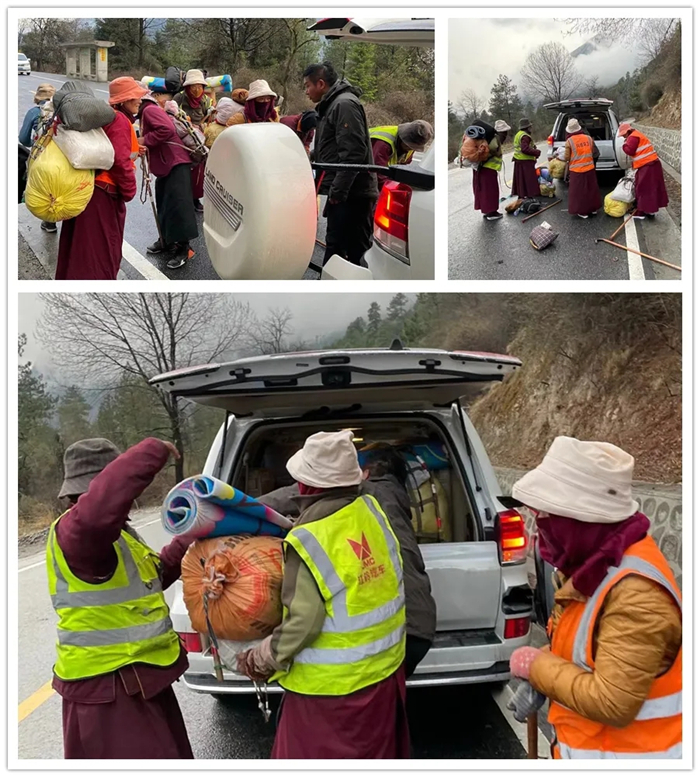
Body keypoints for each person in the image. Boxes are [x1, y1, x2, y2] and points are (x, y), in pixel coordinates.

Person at [237, 431, 410, 759]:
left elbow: (304, 621)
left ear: (306, 486)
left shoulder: (308, 539)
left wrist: (262, 658)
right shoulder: (371, 509)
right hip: (385, 673)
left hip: (330, 692)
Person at [508, 437, 682, 760]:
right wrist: (543, 674)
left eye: (549, 514)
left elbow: (613, 700)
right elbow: (588, 653)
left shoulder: (636, 594)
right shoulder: (591, 566)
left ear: (581, 519)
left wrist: (538, 667)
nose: (540, 524)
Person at [47, 438, 196, 759]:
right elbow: (97, 513)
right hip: (110, 692)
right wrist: (151, 452)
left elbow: (153, 578)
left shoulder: (117, 537)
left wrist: (191, 539)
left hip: (137, 682)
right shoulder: (81, 535)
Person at [55, 77, 144, 280]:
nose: (139, 100)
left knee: (77, 249)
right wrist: (129, 191)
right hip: (103, 196)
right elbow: (120, 161)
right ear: (123, 100)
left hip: (83, 190)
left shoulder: (100, 118)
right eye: (135, 96)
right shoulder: (119, 120)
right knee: (100, 254)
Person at [360, 447, 437, 676]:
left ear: (365, 472)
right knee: (389, 700)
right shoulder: (396, 496)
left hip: (390, 633)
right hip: (420, 627)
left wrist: (249, 504)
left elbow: (299, 493)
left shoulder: (364, 491)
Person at [303, 62, 378, 267]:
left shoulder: (343, 105)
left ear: (320, 83)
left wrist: (337, 191)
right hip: (345, 191)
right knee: (336, 245)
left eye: (308, 86)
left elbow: (353, 153)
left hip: (353, 194)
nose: (306, 92)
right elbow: (333, 146)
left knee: (353, 251)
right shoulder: (333, 105)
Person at [138, 93, 198, 269]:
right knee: (165, 203)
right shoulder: (146, 112)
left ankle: (184, 249)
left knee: (179, 207)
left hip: (175, 163)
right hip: (167, 164)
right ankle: (166, 240)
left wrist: (144, 140)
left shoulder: (149, 110)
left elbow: (166, 130)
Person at [19, 83, 57, 233]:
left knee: (45, 186)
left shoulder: (34, 112)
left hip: (42, 155)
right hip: (61, 153)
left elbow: (23, 138)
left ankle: (49, 222)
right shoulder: (61, 111)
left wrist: (34, 143)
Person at [173, 70, 212, 213]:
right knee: (184, 170)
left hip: (199, 140)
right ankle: (184, 199)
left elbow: (209, 116)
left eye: (200, 86)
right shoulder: (179, 98)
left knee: (198, 172)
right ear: (187, 87)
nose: (197, 90)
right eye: (193, 86)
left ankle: (195, 199)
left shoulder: (204, 100)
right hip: (182, 139)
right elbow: (170, 115)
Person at [618, 123, 669, 220]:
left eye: (623, 134)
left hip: (648, 166)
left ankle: (642, 211)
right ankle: (649, 210)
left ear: (627, 131)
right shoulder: (636, 134)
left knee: (643, 188)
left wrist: (624, 145)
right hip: (650, 164)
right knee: (650, 188)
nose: (623, 136)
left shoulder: (633, 137)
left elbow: (630, 151)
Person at [370, 120, 434, 190]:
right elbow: (375, 173)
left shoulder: (410, 148)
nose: (410, 149)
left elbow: (402, 169)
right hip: (359, 170)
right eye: (408, 145)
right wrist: (393, 190)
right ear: (403, 137)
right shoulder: (382, 144)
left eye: (413, 147)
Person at [563, 118, 601, 219]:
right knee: (591, 189)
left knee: (579, 193)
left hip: (577, 170)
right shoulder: (588, 138)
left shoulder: (569, 141)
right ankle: (593, 209)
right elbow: (593, 152)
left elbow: (567, 157)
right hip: (590, 168)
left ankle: (583, 212)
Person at [473, 119, 509, 221]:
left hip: (482, 168)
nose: (506, 135)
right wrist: (495, 153)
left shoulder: (488, 137)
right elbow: (492, 149)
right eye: (505, 132)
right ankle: (491, 212)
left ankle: (487, 211)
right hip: (487, 168)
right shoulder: (494, 138)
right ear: (502, 132)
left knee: (484, 191)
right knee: (490, 191)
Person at [511, 118, 541, 199]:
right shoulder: (525, 136)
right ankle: (530, 196)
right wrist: (536, 152)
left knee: (521, 181)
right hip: (525, 162)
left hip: (519, 161)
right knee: (528, 180)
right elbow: (525, 149)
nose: (531, 128)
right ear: (527, 127)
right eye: (530, 127)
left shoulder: (518, 134)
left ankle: (522, 196)